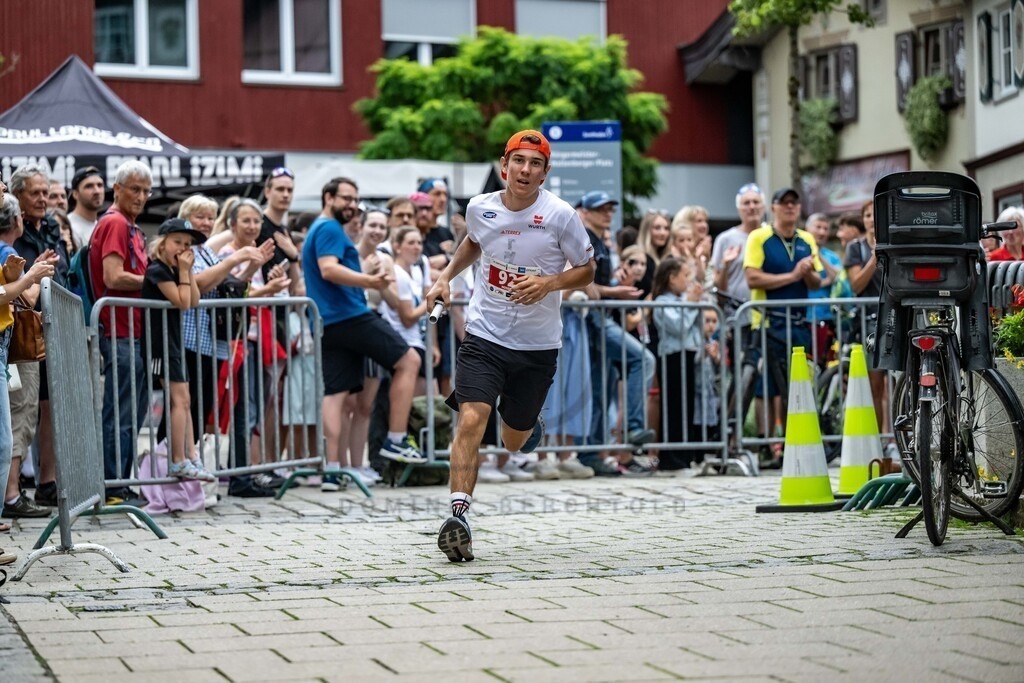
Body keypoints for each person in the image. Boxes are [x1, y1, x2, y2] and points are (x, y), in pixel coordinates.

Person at [426, 129, 595, 562]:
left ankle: (527, 425)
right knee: (470, 420)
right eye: (518, 161)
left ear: (545, 173)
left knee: (514, 440)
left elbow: (587, 270)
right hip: (484, 335)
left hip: (537, 346)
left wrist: (549, 282)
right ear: (504, 166)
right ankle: (458, 516)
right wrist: (447, 276)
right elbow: (474, 242)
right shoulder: (480, 207)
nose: (525, 170)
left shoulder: (560, 215)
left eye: (535, 164)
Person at [303, 176, 428, 492]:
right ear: (328, 197)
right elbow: (329, 269)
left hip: (329, 322)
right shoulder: (329, 228)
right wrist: (368, 281)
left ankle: (332, 470)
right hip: (349, 315)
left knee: (335, 395)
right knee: (410, 361)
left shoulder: (321, 229)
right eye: (346, 198)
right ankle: (397, 440)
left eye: (355, 199)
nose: (352, 204)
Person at [178, 195, 278, 498]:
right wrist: (237, 259)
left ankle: (193, 479)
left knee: (200, 409)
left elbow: (229, 287)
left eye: (210, 217)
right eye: (200, 217)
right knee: (187, 409)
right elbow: (200, 285)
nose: (206, 223)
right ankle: (175, 476)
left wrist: (249, 269)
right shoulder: (186, 251)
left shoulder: (208, 252)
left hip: (214, 342)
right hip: (190, 339)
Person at [578, 190, 656, 477]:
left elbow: (598, 284)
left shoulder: (600, 243)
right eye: (601, 209)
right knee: (643, 359)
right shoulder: (584, 240)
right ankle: (633, 426)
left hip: (601, 318)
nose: (607, 214)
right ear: (585, 212)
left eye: (610, 209)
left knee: (601, 389)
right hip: (595, 320)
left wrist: (615, 283)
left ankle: (591, 453)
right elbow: (587, 288)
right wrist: (617, 290)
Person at [744, 186, 822, 467]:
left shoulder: (806, 239)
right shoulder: (759, 237)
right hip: (767, 321)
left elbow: (816, 282)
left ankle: (795, 440)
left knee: (797, 384)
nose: (790, 207)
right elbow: (753, 279)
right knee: (766, 387)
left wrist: (808, 272)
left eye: (794, 203)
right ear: (774, 207)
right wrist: (792, 275)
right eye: (784, 203)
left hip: (799, 322)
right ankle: (767, 444)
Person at [89, 160, 152, 506]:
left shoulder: (128, 226)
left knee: (131, 413)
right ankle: (113, 488)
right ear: (117, 189)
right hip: (119, 331)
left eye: (146, 191)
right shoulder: (114, 222)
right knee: (121, 413)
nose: (141, 197)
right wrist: (155, 282)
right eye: (135, 189)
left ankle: (118, 485)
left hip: (131, 332)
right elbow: (113, 277)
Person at [9, 163, 67, 509]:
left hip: (54, 329)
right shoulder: (13, 237)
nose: (43, 199)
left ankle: (48, 482)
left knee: (52, 406)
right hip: (23, 334)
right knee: (24, 410)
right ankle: (12, 492)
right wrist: (34, 275)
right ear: (18, 197)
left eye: (46, 192)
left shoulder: (51, 229)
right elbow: (23, 290)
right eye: (36, 193)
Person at [142, 218, 217, 483]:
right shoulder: (157, 270)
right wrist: (185, 272)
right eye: (177, 242)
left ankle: (190, 454)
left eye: (187, 244)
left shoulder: (175, 271)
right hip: (161, 345)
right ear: (162, 244)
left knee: (185, 400)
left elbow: (194, 299)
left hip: (174, 342)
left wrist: (187, 272)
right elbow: (183, 302)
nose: (183, 248)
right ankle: (177, 459)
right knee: (178, 400)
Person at [0, 194, 56, 521]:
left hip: (8, 346)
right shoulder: (7, 250)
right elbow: (23, 297)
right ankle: (11, 495)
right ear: (17, 221)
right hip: (11, 349)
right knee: (15, 425)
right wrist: (36, 276)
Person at [652, 257, 704, 472]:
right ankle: (671, 457)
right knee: (674, 407)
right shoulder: (661, 302)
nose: (688, 280)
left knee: (687, 407)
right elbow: (679, 326)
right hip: (672, 357)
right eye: (685, 276)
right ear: (671, 278)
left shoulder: (683, 298)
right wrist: (691, 304)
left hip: (688, 355)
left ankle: (685, 455)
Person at [68, 166, 105, 249]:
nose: (97, 191)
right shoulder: (68, 226)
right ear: (75, 194)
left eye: (100, 185)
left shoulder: (101, 226)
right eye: (89, 186)